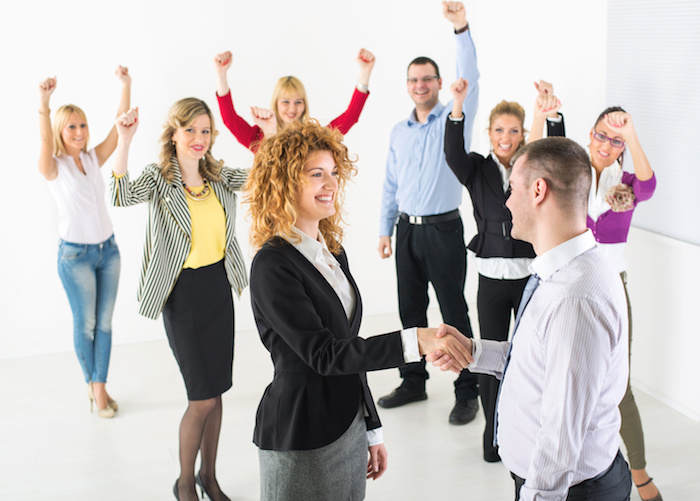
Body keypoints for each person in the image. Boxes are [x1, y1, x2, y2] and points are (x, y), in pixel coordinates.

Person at [244, 120, 472, 501]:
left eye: (334, 173)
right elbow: (325, 355)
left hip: (348, 425)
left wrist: (371, 428)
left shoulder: (332, 251)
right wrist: (414, 340)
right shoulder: (272, 265)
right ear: (284, 183)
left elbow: (349, 347)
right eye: (317, 174)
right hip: (302, 435)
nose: (331, 184)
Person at [430, 137, 633, 500]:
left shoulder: (574, 298)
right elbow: (540, 361)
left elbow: (560, 436)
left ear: (538, 190)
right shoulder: (561, 272)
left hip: (569, 491)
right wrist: (474, 352)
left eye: (511, 188)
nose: (506, 201)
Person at [111, 100, 248, 501]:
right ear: (174, 134)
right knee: (201, 396)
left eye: (206, 131)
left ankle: (210, 477)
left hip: (218, 289)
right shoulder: (159, 179)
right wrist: (124, 139)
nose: (199, 139)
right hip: (182, 295)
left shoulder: (219, 177)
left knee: (217, 391)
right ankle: (185, 483)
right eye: (190, 131)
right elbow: (119, 194)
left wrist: (269, 130)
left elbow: (263, 176)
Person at [539, 105, 660, 501]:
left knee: (616, 383)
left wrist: (631, 131)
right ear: (589, 134)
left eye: (616, 139)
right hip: (566, 283)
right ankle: (564, 464)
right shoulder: (571, 175)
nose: (607, 144)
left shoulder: (625, 180)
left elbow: (648, 185)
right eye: (602, 134)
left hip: (610, 286)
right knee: (561, 375)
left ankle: (639, 474)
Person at [443, 79, 562, 460]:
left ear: (523, 133)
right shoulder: (476, 169)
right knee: (490, 359)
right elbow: (452, 152)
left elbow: (558, 155)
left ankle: (530, 430)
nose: (505, 137)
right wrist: (457, 104)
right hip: (492, 279)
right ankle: (493, 435)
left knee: (532, 356)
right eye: (499, 130)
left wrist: (552, 114)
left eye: (513, 131)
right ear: (489, 133)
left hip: (532, 277)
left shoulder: (532, 166)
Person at [377, 0, 480, 425]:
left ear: (439, 83)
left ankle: (468, 388)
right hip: (407, 232)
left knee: (453, 311)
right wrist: (385, 229)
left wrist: (461, 30)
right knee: (410, 310)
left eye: (427, 79)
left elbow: (469, 78)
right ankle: (413, 381)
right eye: (413, 80)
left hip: (443, 229)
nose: (420, 85)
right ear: (407, 86)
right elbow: (390, 184)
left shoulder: (452, 119)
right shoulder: (399, 131)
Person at [38, 67, 131, 419]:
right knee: (86, 325)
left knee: (105, 324)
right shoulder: (53, 166)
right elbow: (46, 143)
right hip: (75, 256)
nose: (79, 132)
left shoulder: (92, 158)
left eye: (83, 125)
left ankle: (99, 386)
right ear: (61, 131)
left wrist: (126, 85)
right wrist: (45, 103)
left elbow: (119, 129)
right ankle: (96, 389)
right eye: (72, 126)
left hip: (108, 251)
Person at [214, 48, 375, 152]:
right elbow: (230, 119)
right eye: (286, 101)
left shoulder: (314, 137)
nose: (292, 109)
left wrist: (365, 73)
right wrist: (221, 74)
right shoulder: (259, 137)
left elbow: (350, 118)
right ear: (276, 103)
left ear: (305, 105)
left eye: (298, 102)